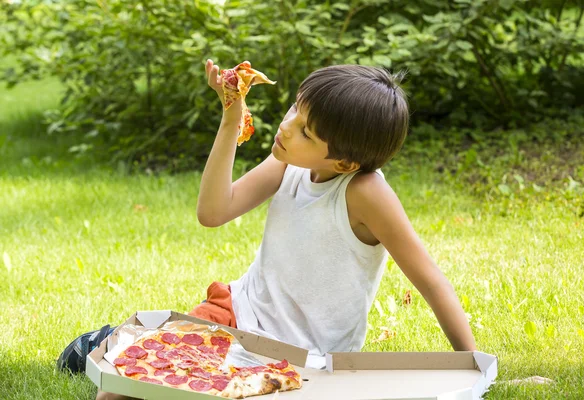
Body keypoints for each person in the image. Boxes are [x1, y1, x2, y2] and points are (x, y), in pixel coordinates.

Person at [68, 59, 476, 400]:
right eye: (295, 108)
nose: (287, 126)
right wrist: (231, 120)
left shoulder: (365, 192)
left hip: (307, 357)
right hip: (234, 315)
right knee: (118, 390)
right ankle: (107, 341)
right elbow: (213, 211)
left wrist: (473, 368)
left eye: (305, 131)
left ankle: (114, 337)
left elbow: (431, 282)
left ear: (345, 163)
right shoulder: (288, 162)